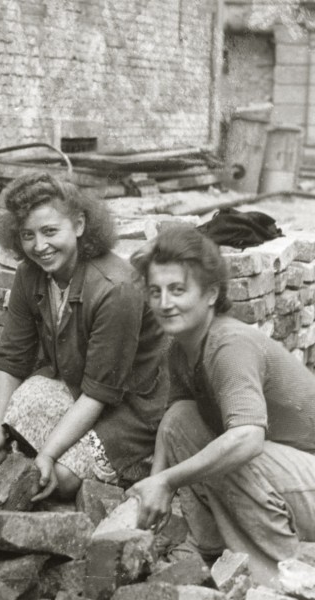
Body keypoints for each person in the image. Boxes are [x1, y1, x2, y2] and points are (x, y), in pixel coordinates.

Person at [128, 226, 315, 585]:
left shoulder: (228, 345)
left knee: (238, 449)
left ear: (211, 293)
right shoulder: (181, 346)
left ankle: (281, 578)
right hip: (290, 475)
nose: (165, 303)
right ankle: (212, 554)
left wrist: (167, 481)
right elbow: (175, 423)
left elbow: (247, 439)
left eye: (178, 290)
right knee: (182, 419)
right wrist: (154, 488)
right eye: (156, 291)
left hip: (305, 479)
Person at [0, 173, 168, 501]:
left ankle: (131, 463)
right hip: (80, 388)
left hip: (132, 405)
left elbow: (100, 392)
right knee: (19, 412)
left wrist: (47, 455)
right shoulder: (30, 274)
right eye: (27, 235)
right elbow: (12, 359)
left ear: (78, 225)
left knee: (58, 478)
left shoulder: (116, 289)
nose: (40, 246)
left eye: (50, 231)